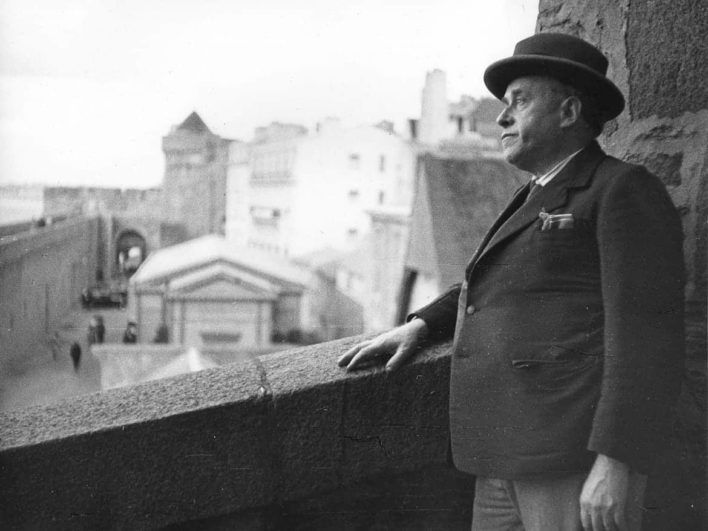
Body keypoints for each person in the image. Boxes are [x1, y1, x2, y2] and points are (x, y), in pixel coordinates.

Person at [338, 33, 685, 531]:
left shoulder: (620, 190)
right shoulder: (534, 194)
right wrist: (420, 324)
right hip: (503, 459)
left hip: (572, 461)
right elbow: (497, 286)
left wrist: (616, 461)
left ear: (568, 112)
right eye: (505, 104)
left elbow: (647, 336)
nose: (503, 117)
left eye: (520, 102)